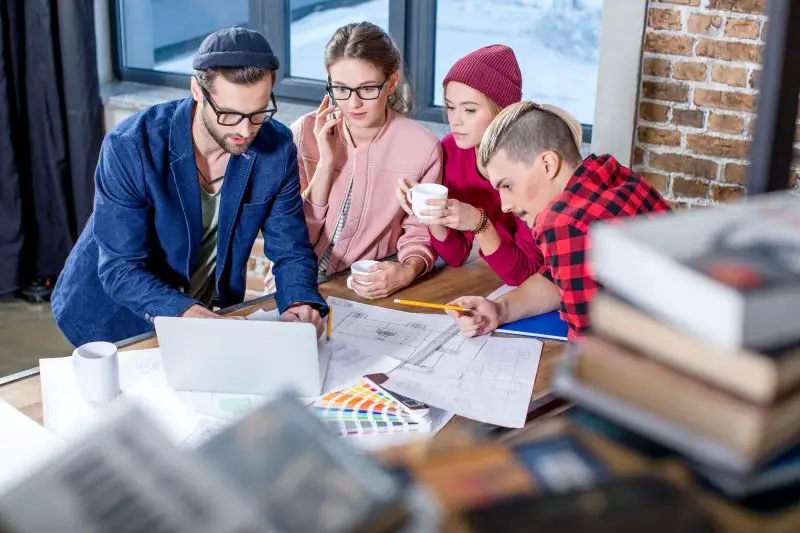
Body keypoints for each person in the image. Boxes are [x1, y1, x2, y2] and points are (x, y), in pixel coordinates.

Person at [51, 27, 327, 347]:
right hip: (114, 315)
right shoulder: (131, 146)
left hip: (200, 311)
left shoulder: (276, 147)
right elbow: (120, 268)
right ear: (197, 90)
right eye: (229, 114)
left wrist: (298, 300)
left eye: (258, 113)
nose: (245, 130)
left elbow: (290, 248)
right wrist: (190, 314)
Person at [445, 101, 671, 339]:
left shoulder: (565, 223)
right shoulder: (610, 175)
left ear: (548, 165)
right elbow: (556, 278)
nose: (505, 205)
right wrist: (499, 310)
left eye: (508, 185)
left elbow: (588, 347)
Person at [287, 22, 442, 300]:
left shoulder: (423, 147)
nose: (353, 103)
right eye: (341, 88)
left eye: (367, 89)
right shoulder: (303, 133)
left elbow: (420, 232)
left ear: (391, 83)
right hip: (294, 281)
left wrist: (407, 271)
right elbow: (290, 234)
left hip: (369, 287)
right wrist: (325, 163)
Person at [397, 45, 567, 286]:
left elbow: (525, 272)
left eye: (469, 110)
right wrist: (430, 211)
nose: (455, 120)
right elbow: (455, 256)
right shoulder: (451, 150)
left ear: (502, 112)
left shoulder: (527, 164)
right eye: (450, 107)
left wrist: (479, 223)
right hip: (491, 276)